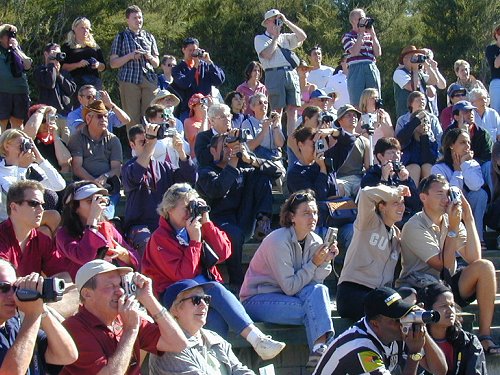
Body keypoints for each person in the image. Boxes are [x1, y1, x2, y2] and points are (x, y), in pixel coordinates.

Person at [142, 184, 286, 360]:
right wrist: (195, 242)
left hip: (199, 293)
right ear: (170, 209)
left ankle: (217, 365)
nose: (191, 212)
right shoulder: (159, 237)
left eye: (193, 206)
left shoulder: (196, 226)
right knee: (214, 289)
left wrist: (207, 222)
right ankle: (257, 340)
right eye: (186, 208)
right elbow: (182, 277)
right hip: (171, 296)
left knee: (217, 317)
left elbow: (225, 252)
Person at [397, 174, 499, 354]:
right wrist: (452, 229)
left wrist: (468, 219)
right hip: (420, 287)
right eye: (439, 195)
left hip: (446, 285)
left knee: (485, 267)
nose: (446, 200)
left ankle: (484, 336)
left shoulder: (450, 220)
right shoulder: (414, 225)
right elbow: (441, 265)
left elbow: (474, 258)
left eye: (447, 194)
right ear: (423, 197)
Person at [240, 190, 337, 367]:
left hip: (289, 298)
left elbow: (315, 284)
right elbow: (290, 287)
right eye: (306, 213)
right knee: (315, 311)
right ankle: (324, 356)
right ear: (292, 217)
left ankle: (319, 350)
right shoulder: (278, 241)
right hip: (257, 299)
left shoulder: (315, 239)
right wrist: (314, 263)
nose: (313, 217)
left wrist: (325, 261)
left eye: (315, 212)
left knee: (320, 293)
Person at [60, 259, 188, 374]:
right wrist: (130, 330)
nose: (120, 291)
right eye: (110, 286)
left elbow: (178, 343)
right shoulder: (73, 328)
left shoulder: (124, 317)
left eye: (120, 285)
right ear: (87, 294)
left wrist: (148, 299)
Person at [197, 133, 282, 285]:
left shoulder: (243, 168)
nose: (230, 149)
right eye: (225, 146)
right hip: (217, 222)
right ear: (213, 151)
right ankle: (236, 282)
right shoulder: (205, 172)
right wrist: (233, 161)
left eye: (232, 145)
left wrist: (250, 159)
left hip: (243, 218)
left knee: (262, 176)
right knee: (234, 234)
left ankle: (264, 221)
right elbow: (218, 190)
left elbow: (276, 172)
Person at [313, 287, 447, 375]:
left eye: (403, 314)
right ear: (375, 324)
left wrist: (421, 329)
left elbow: (440, 371)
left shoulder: (392, 332)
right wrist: (414, 353)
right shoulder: (360, 349)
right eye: (395, 319)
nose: (402, 321)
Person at [149, 280, 256, 374]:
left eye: (206, 299)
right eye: (196, 300)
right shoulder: (168, 348)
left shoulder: (214, 338)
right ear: (174, 309)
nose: (204, 305)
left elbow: (239, 370)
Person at [336, 184, 410, 320]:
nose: (401, 207)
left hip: (379, 294)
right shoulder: (368, 222)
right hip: (352, 292)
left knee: (410, 293)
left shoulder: (396, 236)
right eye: (395, 203)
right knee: (383, 308)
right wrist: (395, 192)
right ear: (381, 206)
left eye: (402, 203)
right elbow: (365, 193)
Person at [122, 124, 196, 255]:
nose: (147, 144)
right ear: (132, 145)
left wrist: (181, 153)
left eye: (149, 141)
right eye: (142, 142)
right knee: (149, 244)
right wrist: (150, 144)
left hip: (165, 225)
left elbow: (189, 180)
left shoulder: (165, 167)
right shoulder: (129, 167)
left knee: (191, 239)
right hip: (139, 226)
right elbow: (135, 176)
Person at [0, 260, 78, 373]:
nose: (12, 295)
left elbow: (67, 355)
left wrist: (40, 308)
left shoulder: (15, 324)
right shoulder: (27, 322)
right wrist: (32, 315)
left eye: (15, 287)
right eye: (4, 287)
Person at [56, 181, 139, 281]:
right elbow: (84, 258)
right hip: (79, 290)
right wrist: (92, 221)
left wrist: (123, 254)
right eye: (90, 201)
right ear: (74, 206)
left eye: (99, 200)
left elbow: (137, 260)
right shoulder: (64, 233)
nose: (97, 205)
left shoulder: (107, 227)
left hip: (108, 286)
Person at [0, 180, 72, 277]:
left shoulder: (42, 240)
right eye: (34, 203)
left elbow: (62, 274)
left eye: (42, 205)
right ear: (14, 207)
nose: (41, 209)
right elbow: (4, 281)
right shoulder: (2, 236)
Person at [432, 128, 488, 246]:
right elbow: (451, 194)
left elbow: (476, 186)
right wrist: (457, 172)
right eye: (462, 142)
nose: (467, 146)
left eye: (468, 142)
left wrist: (464, 165)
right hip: (448, 206)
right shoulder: (438, 168)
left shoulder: (472, 163)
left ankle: (478, 238)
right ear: (451, 145)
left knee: (480, 194)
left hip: (468, 204)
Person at [255, 9, 307, 136]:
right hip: (274, 73)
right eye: (274, 20)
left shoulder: (285, 37)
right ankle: (275, 138)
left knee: (293, 108)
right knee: (277, 109)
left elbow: (302, 36)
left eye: (279, 20)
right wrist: (275, 38)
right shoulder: (260, 38)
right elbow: (267, 54)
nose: (277, 23)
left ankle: (292, 140)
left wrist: (287, 21)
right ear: (267, 22)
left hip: (290, 72)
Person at [68, 100, 123, 219]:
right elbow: (77, 167)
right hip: (83, 185)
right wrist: (94, 183)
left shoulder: (113, 140)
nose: (104, 119)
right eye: (99, 116)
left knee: (105, 215)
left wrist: (105, 177)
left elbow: (116, 169)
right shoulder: (77, 138)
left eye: (105, 116)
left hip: (108, 187)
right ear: (88, 119)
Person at [418, 282, 487, 374]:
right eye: (443, 306)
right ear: (427, 310)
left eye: (452, 306)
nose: (450, 311)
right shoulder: (415, 342)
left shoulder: (469, 342)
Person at [0, 129, 66, 223]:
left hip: (28, 219)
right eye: (21, 145)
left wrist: (40, 159)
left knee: (52, 218)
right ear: (7, 146)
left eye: (27, 145)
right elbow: (16, 196)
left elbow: (59, 185)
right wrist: (22, 168)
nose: (25, 148)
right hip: (7, 222)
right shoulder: (2, 171)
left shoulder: (31, 168)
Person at [110, 5, 160, 128]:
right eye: (135, 18)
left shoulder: (149, 37)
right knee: (131, 118)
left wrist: (149, 56)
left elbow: (156, 63)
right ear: (127, 20)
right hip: (129, 79)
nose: (138, 20)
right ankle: (135, 146)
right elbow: (113, 63)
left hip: (148, 79)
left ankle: (150, 143)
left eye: (140, 17)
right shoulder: (121, 37)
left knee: (150, 115)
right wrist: (130, 56)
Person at [361, 137, 421, 227]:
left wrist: (406, 181)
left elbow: (416, 205)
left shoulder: (400, 175)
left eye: (398, 153)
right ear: (380, 156)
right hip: (381, 222)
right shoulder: (371, 176)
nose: (396, 157)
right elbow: (376, 205)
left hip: (404, 218)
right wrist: (384, 178)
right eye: (391, 153)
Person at [170, 37, 225, 120]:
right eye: (190, 50)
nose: (192, 53)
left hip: (206, 108)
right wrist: (195, 67)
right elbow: (184, 83)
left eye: (194, 50)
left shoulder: (205, 66)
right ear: (183, 50)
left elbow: (219, 80)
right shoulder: (177, 69)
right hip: (187, 111)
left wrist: (209, 62)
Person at [395, 91, 442, 185]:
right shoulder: (404, 124)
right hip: (410, 165)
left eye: (424, 99)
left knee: (427, 167)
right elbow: (399, 141)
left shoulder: (432, 120)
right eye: (418, 100)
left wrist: (425, 135)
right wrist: (415, 122)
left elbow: (429, 157)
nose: (422, 102)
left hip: (427, 161)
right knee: (414, 168)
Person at [324, 104, 371, 198]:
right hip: (339, 178)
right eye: (348, 115)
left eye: (354, 115)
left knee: (366, 191)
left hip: (358, 178)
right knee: (336, 190)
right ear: (340, 120)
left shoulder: (364, 140)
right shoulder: (332, 138)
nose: (353, 118)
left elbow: (368, 166)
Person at [33, 42, 76, 140]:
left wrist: (58, 74)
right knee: (50, 142)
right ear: (46, 54)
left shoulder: (64, 73)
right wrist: (51, 66)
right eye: (54, 52)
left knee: (67, 143)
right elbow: (50, 84)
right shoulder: (40, 71)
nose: (57, 55)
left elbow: (71, 90)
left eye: (58, 53)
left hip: (65, 114)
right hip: (49, 114)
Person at [341, 8, 381, 107]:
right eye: (360, 19)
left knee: (375, 100)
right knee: (357, 102)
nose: (363, 21)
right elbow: (354, 52)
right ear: (353, 21)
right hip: (356, 68)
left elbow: (378, 53)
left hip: (370, 66)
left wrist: (373, 34)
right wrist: (361, 34)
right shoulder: (348, 36)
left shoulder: (369, 36)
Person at [393, 45, 445, 119]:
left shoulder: (419, 73)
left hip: (424, 114)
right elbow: (412, 87)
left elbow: (434, 81)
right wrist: (415, 69)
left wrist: (427, 65)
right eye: (412, 57)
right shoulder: (399, 73)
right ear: (405, 60)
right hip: (407, 116)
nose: (415, 59)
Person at [61, 17, 106, 97]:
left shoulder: (95, 47)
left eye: (87, 28)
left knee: (97, 106)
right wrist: (78, 64)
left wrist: (97, 65)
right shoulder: (67, 47)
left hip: (94, 82)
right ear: (74, 28)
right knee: (78, 108)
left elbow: (104, 66)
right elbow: (62, 67)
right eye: (82, 28)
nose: (85, 30)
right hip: (75, 82)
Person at [0, 24, 32, 131]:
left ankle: (17, 146)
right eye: (8, 35)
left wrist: (17, 49)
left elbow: (27, 65)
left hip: (19, 91)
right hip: (3, 91)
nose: (11, 38)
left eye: (13, 35)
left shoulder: (17, 51)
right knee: (2, 123)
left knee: (18, 123)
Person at [24, 104, 72, 173]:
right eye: (43, 121)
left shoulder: (56, 141)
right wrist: (41, 110)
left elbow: (65, 162)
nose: (47, 124)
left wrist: (55, 134)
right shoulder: (31, 139)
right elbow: (28, 136)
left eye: (48, 120)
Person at [242, 93, 285, 161]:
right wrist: (263, 131)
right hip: (258, 162)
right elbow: (249, 147)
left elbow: (280, 144)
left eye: (265, 102)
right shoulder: (247, 124)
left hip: (275, 161)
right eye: (260, 103)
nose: (264, 105)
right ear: (252, 107)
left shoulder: (273, 121)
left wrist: (276, 126)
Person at [194, 103, 232, 168]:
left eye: (228, 116)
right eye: (223, 117)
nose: (228, 119)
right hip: (212, 173)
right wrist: (219, 141)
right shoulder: (203, 137)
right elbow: (202, 160)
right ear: (212, 120)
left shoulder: (234, 135)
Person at [184, 93, 209, 161]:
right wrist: (205, 117)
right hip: (197, 157)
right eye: (201, 103)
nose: (204, 105)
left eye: (205, 102)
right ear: (194, 107)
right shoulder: (188, 121)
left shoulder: (209, 120)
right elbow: (201, 137)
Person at [486, 24, 500, 113]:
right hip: (497, 82)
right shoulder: (491, 49)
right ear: (496, 35)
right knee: (496, 111)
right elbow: (496, 64)